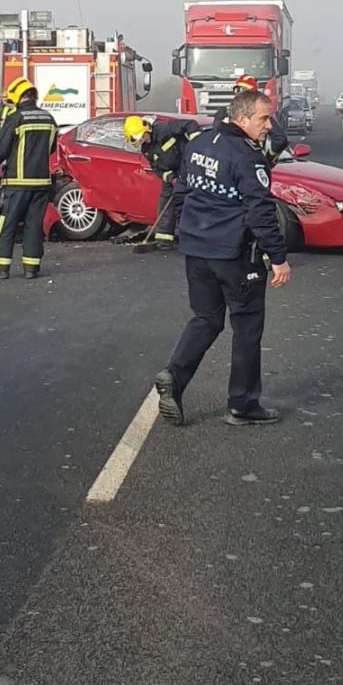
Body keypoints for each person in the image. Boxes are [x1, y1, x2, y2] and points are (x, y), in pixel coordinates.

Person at [154, 89, 292, 427]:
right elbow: (260, 211)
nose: (269, 126)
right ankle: (242, 404)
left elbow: (182, 193)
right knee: (246, 327)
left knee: (206, 319)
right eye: (263, 118)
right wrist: (278, 258)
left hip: (196, 250)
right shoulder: (248, 156)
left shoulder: (199, 144)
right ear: (242, 118)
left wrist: (184, 231)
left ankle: (174, 375)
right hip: (234, 256)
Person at [0, 78, 58, 279]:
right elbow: (51, 148)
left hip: (17, 183)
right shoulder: (49, 119)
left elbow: (0, 152)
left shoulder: (16, 118)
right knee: (34, 225)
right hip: (42, 183)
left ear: (17, 97)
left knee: (7, 224)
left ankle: (1, 268)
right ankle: (31, 268)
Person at [123, 114, 201, 249]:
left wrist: (198, 147)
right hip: (173, 175)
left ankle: (193, 236)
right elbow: (157, 168)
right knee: (165, 203)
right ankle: (164, 240)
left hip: (188, 166)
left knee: (187, 201)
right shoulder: (146, 150)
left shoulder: (165, 129)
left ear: (146, 130)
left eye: (142, 137)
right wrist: (171, 178)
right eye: (139, 140)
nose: (142, 141)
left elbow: (190, 124)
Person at [212, 75, 289, 166]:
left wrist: (267, 159)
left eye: (243, 91)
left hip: (236, 164)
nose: (239, 94)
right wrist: (267, 159)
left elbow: (280, 140)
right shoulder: (223, 115)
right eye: (238, 91)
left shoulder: (225, 115)